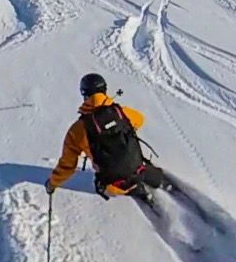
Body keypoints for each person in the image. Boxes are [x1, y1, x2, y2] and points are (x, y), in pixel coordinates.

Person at [45, 73, 169, 202]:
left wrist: (52, 183)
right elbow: (140, 119)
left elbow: (67, 165)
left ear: (84, 94)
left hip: (112, 183)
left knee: (108, 181)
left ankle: (130, 190)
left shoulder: (77, 130)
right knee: (135, 168)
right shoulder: (122, 112)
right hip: (136, 167)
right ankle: (150, 180)